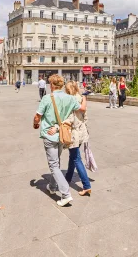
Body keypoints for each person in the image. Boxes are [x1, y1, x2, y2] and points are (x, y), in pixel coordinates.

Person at [33, 74, 87, 207]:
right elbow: (81, 109)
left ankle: (66, 194)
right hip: (63, 135)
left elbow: (37, 116)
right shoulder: (69, 98)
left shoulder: (47, 98)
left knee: (53, 165)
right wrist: (84, 97)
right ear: (61, 85)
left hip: (50, 135)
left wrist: (35, 124)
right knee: (56, 162)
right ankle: (52, 186)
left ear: (51, 85)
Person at [57, 81, 91, 196]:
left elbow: (71, 116)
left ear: (68, 90)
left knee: (76, 158)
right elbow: (84, 111)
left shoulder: (71, 100)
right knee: (73, 156)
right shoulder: (80, 97)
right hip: (82, 132)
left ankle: (86, 185)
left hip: (74, 132)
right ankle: (68, 178)